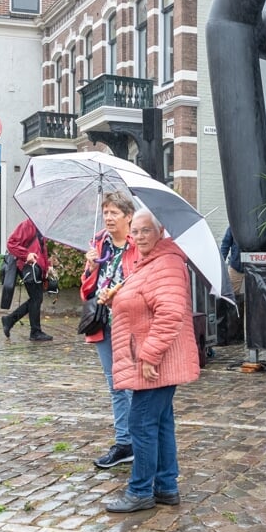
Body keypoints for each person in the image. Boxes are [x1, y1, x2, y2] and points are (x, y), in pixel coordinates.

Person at [103, 209, 200, 513]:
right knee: (159, 423)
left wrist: (149, 355)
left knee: (141, 423)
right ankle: (166, 486)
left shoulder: (167, 263)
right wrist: (115, 298)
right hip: (154, 361)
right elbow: (144, 302)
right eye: (135, 231)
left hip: (155, 362)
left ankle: (141, 490)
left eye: (146, 230)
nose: (139, 236)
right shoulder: (150, 263)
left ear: (160, 232)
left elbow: (170, 314)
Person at [82, 192, 141, 470]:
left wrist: (120, 293)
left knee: (129, 383)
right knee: (114, 384)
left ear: (128, 216)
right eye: (106, 212)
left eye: (114, 212)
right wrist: (90, 268)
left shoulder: (138, 246)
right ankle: (124, 443)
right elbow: (86, 291)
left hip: (128, 323)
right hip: (102, 322)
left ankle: (139, 441)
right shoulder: (99, 245)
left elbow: (144, 285)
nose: (108, 217)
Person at [1, 217, 52, 342]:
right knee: (36, 298)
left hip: (36, 268)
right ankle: (34, 331)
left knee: (36, 299)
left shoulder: (40, 228)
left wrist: (47, 267)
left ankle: (10, 320)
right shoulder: (28, 225)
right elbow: (11, 243)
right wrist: (26, 254)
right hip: (27, 267)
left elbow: (42, 251)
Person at [220, 225, 244, 298]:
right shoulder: (234, 226)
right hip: (236, 268)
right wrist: (220, 263)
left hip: (256, 268)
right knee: (231, 295)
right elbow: (225, 246)